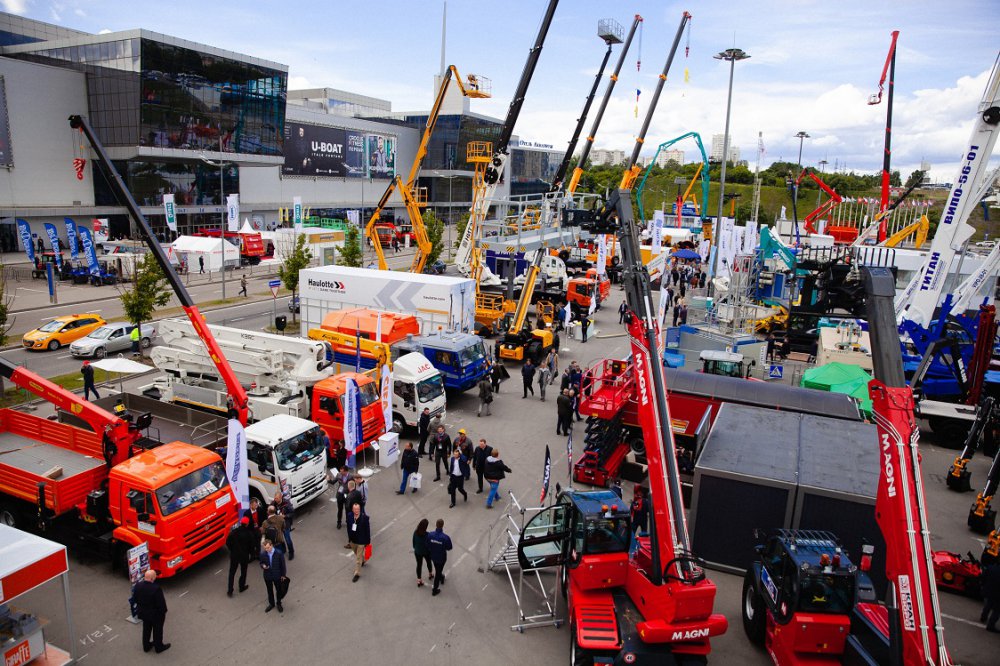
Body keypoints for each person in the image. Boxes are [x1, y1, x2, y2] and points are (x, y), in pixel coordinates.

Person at [133, 569, 170, 653]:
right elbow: (161, 603)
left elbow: (135, 599)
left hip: (143, 613)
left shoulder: (138, 585)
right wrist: (163, 612)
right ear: (153, 578)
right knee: (157, 630)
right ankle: (159, 647)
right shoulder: (156, 588)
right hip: (155, 615)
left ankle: (146, 646)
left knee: (146, 629)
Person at [226, 516, 256, 597]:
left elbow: (228, 542)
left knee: (232, 573)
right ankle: (241, 586)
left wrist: (232, 550)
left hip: (234, 555)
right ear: (247, 524)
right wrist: (251, 554)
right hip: (244, 556)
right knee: (243, 571)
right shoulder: (249, 534)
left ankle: (230, 591)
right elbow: (252, 546)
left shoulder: (234, 532)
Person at [259, 539, 287, 613]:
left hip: (277, 576)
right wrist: (263, 566)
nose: (267, 550)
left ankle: (278, 603)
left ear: (271, 545)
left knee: (278, 590)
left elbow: (283, 565)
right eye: (265, 548)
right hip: (267, 576)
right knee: (269, 590)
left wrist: (283, 575)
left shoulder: (279, 553)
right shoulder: (263, 554)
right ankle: (271, 604)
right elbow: (261, 563)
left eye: (268, 547)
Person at [427, 518, 453, 596]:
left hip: (433, 557)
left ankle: (441, 577)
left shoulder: (430, 535)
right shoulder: (445, 537)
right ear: (442, 526)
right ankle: (435, 589)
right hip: (441, 558)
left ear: (436, 525)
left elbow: (427, 544)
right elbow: (449, 548)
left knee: (438, 569)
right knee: (438, 572)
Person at [346, 502, 371, 583]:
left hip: (361, 540)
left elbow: (367, 530)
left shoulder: (364, 518)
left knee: (358, 558)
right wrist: (349, 539)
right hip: (353, 540)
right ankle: (363, 560)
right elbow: (348, 527)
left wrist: (368, 541)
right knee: (357, 554)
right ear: (352, 509)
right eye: (355, 509)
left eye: (358, 509)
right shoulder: (349, 516)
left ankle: (357, 573)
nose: (357, 510)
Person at [271, 490, 295, 560]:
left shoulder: (286, 503)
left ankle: (291, 552)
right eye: (275, 498)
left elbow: (292, 513)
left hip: (285, 525)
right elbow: (270, 510)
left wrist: (285, 516)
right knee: (280, 539)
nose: (275, 500)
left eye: (277, 498)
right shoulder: (273, 503)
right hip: (278, 525)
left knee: (287, 539)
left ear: (281, 497)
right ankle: (283, 549)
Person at [413, 518, 433, 587]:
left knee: (419, 565)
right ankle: (430, 574)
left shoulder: (415, 532)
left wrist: (415, 548)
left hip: (417, 552)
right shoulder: (427, 535)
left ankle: (419, 580)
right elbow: (430, 545)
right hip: (426, 552)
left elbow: (413, 542)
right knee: (428, 562)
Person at [981, 560, 1000, 631]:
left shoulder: (991, 568)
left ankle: (983, 617)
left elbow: (983, 577)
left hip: (989, 590)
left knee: (988, 604)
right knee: (997, 610)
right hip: (998, 594)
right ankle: (991, 625)